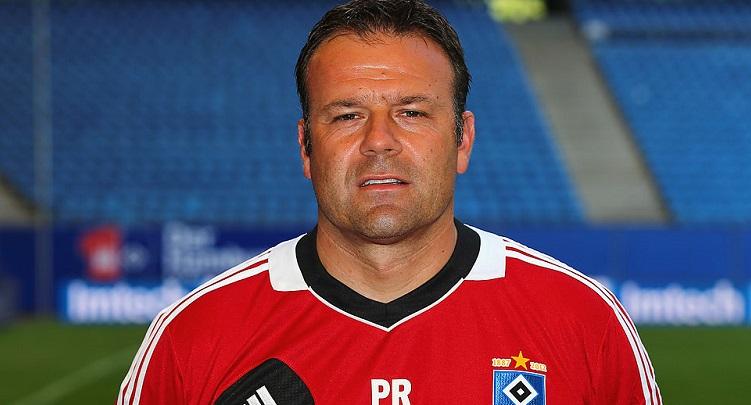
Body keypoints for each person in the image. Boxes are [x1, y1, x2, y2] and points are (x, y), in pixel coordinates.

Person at [118, 0, 661, 404]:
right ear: (306, 147)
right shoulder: (191, 338)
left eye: (412, 113)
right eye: (347, 115)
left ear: (463, 140)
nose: (379, 141)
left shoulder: (585, 324)